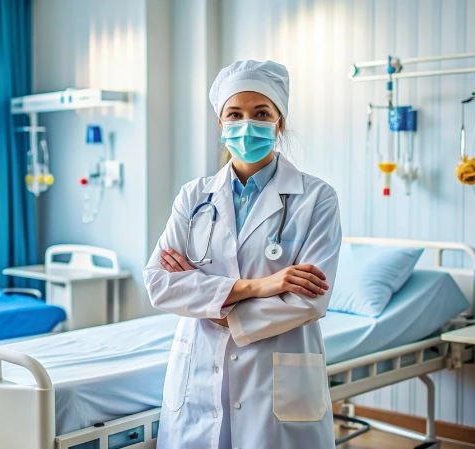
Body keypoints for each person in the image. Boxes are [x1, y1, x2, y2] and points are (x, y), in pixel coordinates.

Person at [143, 59, 341, 449]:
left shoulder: (316, 197)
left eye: (261, 113)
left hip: (278, 373)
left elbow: (307, 300)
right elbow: (160, 284)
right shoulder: (194, 196)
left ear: (279, 122)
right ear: (221, 124)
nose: (247, 124)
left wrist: (214, 305)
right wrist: (260, 285)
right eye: (235, 114)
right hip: (200, 367)